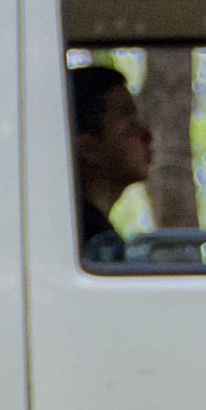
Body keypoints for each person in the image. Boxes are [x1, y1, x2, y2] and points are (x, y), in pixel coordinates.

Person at [69, 63, 152, 262]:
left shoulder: (86, 234)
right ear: (89, 148)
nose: (148, 137)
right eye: (131, 126)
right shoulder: (89, 243)